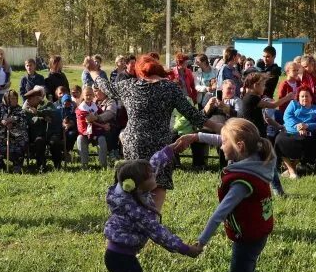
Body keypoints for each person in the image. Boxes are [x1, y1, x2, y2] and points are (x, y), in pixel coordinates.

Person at [89, 54, 222, 211]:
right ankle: (153, 219)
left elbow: (107, 87)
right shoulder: (170, 88)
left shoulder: (129, 86)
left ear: (140, 72)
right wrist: (219, 128)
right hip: (160, 145)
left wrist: (93, 71)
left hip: (134, 142)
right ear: (158, 69)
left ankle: (133, 217)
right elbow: (193, 116)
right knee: (158, 183)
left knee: (134, 182)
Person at [188, 119, 276, 272]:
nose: (220, 145)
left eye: (224, 142)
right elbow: (223, 140)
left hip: (247, 239)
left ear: (239, 146)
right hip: (258, 234)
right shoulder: (257, 157)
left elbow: (220, 214)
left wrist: (201, 241)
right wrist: (196, 137)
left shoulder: (241, 181)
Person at [274, 87, 316, 177]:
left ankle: (291, 169)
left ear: (311, 97)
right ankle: (292, 170)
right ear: (298, 97)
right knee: (279, 139)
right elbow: (287, 117)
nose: (304, 98)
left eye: (307, 96)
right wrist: (298, 127)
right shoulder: (293, 104)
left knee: (304, 141)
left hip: (308, 132)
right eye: (302, 96)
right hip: (290, 130)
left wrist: (307, 126)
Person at [0, 90, 29, 173]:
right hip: (0, 137)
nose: (14, 100)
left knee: (22, 142)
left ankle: (17, 166)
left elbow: (24, 122)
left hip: (16, 137)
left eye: (15, 98)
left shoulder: (20, 110)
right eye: (11, 98)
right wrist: (1, 122)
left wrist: (14, 121)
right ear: (6, 99)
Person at [23, 85, 62, 170]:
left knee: (54, 142)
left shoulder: (48, 104)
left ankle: (58, 166)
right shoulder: (27, 109)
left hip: (51, 132)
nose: (28, 101)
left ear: (37, 98)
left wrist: (38, 113)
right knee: (39, 141)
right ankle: (41, 166)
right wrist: (43, 117)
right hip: (37, 134)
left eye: (30, 99)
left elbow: (52, 113)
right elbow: (31, 121)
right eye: (27, 99)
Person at [76, 86, 109, 167]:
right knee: (80, 139)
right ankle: (84, 164)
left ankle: (103, 165)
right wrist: (103, 126)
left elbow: (101, 115)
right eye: (86, 95)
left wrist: (107, 123)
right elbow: (90, 120)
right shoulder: (80, 109)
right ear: (83, 96)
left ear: (93, 95)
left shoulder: (95, 106)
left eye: (90, 95)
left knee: (102, 139)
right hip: (85, 132)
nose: (88, 97)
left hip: (95, 132)